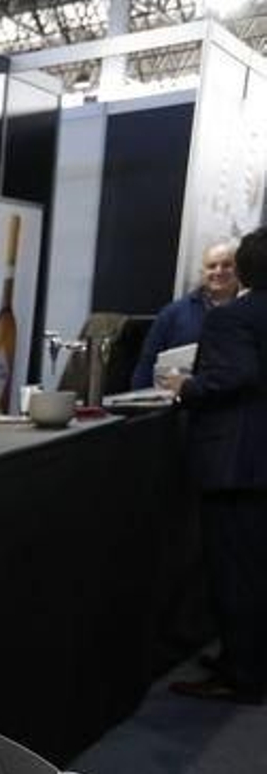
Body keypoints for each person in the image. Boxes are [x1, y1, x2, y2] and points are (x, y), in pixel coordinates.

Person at [159, 226, 266, 705]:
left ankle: (241, 676)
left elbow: (232, 376)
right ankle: (242, 660)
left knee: (233, 572)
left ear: (242, 268)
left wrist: (187, 386)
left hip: (236, 463)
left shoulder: (232, 319)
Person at [132, 239, 239, 390]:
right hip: (178, 405)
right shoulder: (172, 314)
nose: (218, 271)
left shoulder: (250, 314)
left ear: (239, 270)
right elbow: (146, 366)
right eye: (211, 266)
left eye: (227, 265)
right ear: (202, 272)